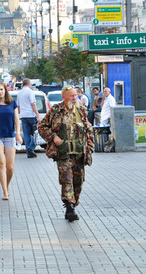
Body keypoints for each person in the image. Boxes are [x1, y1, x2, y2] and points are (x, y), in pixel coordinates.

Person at [38, 86, 94, 222]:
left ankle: (73, 203)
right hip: (63, 153)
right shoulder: (56, 110)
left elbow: (88, 130)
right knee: (66, 179)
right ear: (64, 96)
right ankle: (69, 208)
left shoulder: (81, 110)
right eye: (71, 96)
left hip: (79, 153)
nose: (74, 98)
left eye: (76, 96)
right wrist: (53, 137)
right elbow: (42, 127)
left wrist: (90, 148)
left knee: (78, 181)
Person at [0, 83, 22, 200]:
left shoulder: (12, 103)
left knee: (10, 167)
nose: (0, 92)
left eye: (1, 90)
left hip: (10, 136)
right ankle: (5, 191)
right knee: (1, 162)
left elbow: (17, 119)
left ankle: (6, 184)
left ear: (5, 90)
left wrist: (17, 134)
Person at [17, 78, 41, 158]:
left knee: (26, 135)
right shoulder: (30, 92)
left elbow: (18, 106)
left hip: (23, 116)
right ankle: (31, 147)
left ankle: (29, 153)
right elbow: (33, 104)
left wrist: (20, 114)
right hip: (31, 115)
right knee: (36, 133)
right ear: (29, 84)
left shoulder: (19, 93)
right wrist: (38, 116)